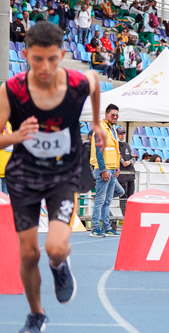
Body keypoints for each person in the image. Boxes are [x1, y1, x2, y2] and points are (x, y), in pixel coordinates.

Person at [0, 21, 104, 333]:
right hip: (24, 177)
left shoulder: (77, 83)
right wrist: (16, 136)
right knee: (29, 253)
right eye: (36, 59)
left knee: (55, 248)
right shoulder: (11, 91)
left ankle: (59, 266)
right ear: (26, 54)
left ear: (61, 54)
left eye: (52, 59)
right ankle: (36, 314)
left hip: (63, 175)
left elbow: (96, 82)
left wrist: (97, 122)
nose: (44, 67)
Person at [89, 104, 124, 237]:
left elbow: (114, 150)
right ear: (106, 114)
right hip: (103, 169)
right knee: (100, 199)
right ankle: (95, 228)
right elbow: (99, 152)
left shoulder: (112, 129)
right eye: (113, 115)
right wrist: (103, 170)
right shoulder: (101, 129)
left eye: (117, 115)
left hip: (112, 169)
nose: (115, 117)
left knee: (107, 200)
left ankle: (106, 227)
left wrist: (117, 167)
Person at [116, 127, 137, 221]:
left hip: (130, 175)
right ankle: (126, 218)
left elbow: (134, 158)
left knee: (131, 197)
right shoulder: (114, 145)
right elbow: (115, 157)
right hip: (121, 176)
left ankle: (130, 217)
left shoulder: (127, 145)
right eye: (120, 134)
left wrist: (129, 162)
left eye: (123, 134)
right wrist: (122, 161)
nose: (122, 135)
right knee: (123, 197)